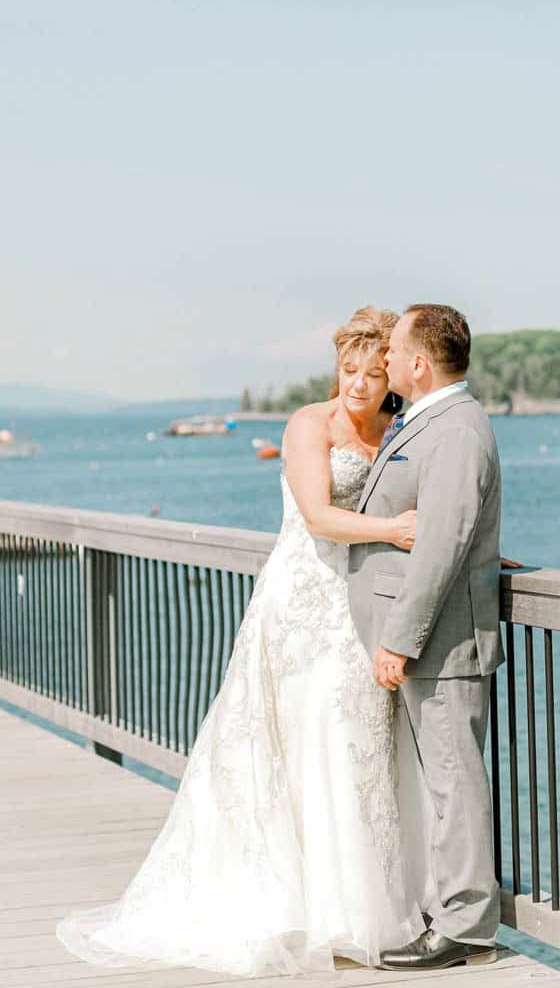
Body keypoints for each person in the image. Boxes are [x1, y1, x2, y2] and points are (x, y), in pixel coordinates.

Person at [55, 307, 427, 977]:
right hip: (303, 602)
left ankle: (357, 907)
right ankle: (300, 909)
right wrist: (397, 532)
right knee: (302, 737)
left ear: (391, 375)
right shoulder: (308, 425)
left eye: (373, 374)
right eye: (348, 371)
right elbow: (317, 515)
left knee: (354, 746)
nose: (358, 386)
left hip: (360, 606)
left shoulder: (395, 429)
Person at [347, 303, 504, 970]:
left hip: (438, 645)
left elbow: (440, 543)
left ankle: (465, 928)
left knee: (454, 785)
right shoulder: (431, 423)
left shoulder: (456, 431)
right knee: (440, 783)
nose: (385, 362)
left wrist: (399, 640)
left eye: (395, 351)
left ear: (419, 362)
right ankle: (447, 912)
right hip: (425, 641)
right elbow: (452, 527)